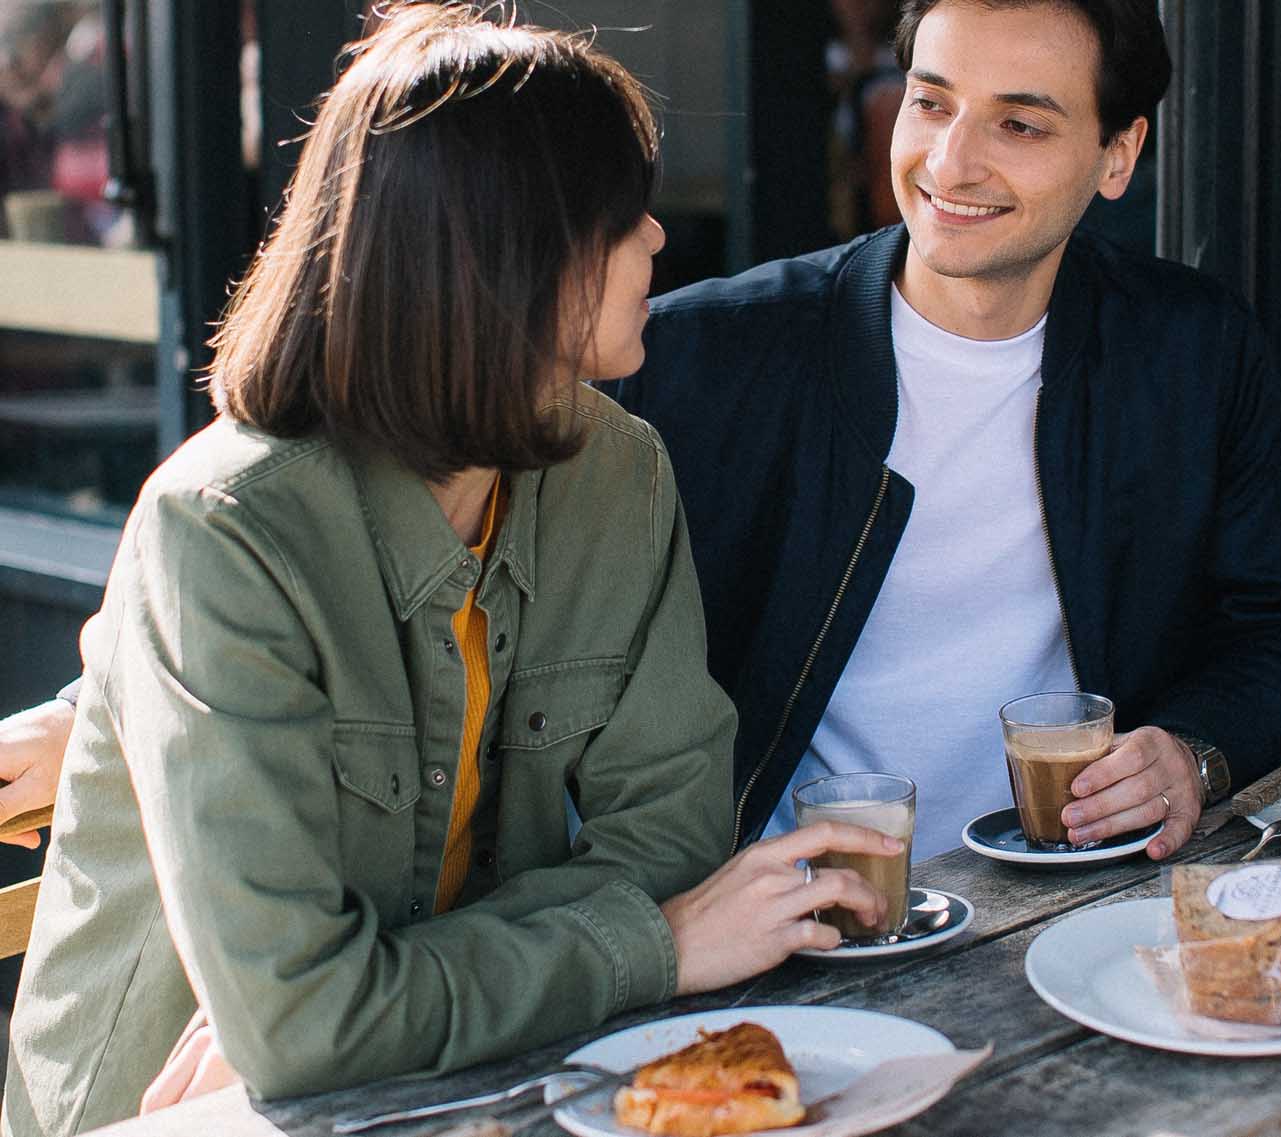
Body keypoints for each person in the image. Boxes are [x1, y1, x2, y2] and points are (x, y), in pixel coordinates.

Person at [0, 0, 1281, 886]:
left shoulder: (1191, 347)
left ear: (1120, 156)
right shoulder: (714, 350)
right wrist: (114, 703)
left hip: (1066, 899)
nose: (949, 158)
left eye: (1022, 121)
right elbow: (358, 480)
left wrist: (1198, 748)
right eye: (930, 99)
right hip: (788, 912)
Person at [0, 8, 899, 1135]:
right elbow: (306, 1032)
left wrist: (366, 992)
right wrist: (651, 947)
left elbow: (670, 843)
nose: (661, 241)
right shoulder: (219, 532)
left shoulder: (617, 471)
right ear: (505, 256)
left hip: (479, 1083)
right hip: (166, 1112)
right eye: (622, 217)